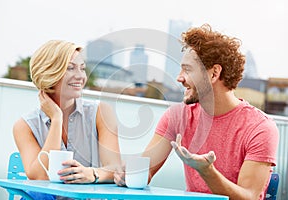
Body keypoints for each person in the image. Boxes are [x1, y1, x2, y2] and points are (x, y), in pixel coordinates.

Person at [114, 24, 279, 200]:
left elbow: (249, 197)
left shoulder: (260, 128)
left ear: (214, 73)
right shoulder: (177, 116)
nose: (179, 78)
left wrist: (207, 171)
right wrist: (125, 176)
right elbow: (144, 172)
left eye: (188, 69)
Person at [13, 40, 121, 199]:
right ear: (49, 72)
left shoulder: (101, 112)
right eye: (70, 68)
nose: (80, 76)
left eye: (82, 68)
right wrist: (56, 119)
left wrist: (92, 174)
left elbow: (115, 169)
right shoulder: (24, 126)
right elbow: (39, 177)